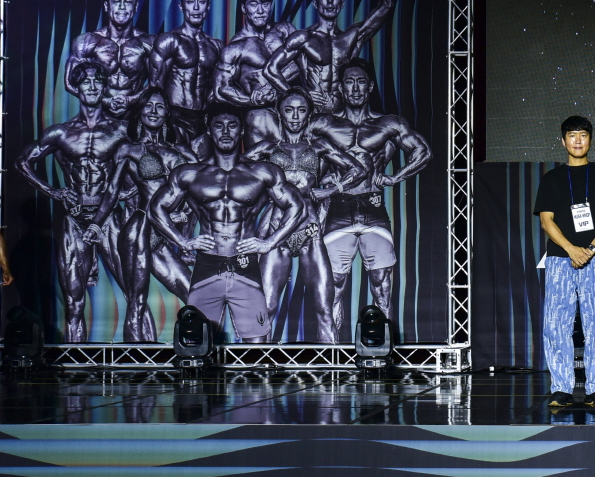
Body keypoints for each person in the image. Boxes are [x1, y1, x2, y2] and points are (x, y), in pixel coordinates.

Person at [147, 103, 304, 344]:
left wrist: (269, 243)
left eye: (232, 125)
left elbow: (297, 206)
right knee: (196, 343)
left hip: (245, 265)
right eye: (219, 126)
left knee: (257, 346)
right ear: (209, 130)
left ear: (242, 130)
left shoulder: (262, 172)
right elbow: (155, 208)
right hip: (207, 265)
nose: (226, 131)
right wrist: (182, 242)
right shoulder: (190, 174)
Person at [307, 59, 431, 338]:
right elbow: (297, 156)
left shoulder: (388, 124)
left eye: (361, 82)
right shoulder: (323, 124)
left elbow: (423, 152)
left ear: (370, 86)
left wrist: (395, 177)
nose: (355, 88)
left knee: (381, 282)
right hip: (338, 209)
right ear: (340, 88)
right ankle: (333, 354)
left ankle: (383, 349)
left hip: (373, 207)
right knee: (333, 285)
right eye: (349, 82)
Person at [15, 63, 128, 342]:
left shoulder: (121, 130)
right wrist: (53, 191)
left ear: (105, 87)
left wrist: (125, 193)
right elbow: (22, 162)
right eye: (86, 82)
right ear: (76, 89)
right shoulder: (61, 133)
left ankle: (146, 356)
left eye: (97, 81)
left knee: (134, 293)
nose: (92, 86)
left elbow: (149, 167)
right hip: (75, 220)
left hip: (109, 216)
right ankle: (75, 361)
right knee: (74, 302)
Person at [249, 87, 360, 342]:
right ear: (280, 114)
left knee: (324, 311)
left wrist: (331, 189)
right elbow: (233, 172)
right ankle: (255, 364)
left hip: (309, 231)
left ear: (309, 114)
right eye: (289, 110)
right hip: (277, 231)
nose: (295, 116)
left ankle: (332, 366)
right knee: (266, 309)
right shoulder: (266, 149)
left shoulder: (319, 147)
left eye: (301, 110)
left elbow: (358, 169)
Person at [533, 115, 595, 408]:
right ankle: (561, 387)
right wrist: (572, 249)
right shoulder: (551, 178)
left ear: (590, 140)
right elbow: (546, 221)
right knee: (556, 324)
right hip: (560, 259)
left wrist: (590, 249)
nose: (578, 141)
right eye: (572, 136)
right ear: (563, 141)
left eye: (583, 135)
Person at [104, 88, 197, 341]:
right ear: (140, 112)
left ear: (167, 113)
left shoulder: (181, 151)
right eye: (149, 106)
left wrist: (185, 224)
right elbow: (112, 191)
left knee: (194, 295)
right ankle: (134, 360)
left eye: (160, 106)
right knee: (137, 302)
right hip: (141, 229)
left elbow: (198, 192)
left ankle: (192, 352)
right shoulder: (128, 149)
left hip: (166, 233)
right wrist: (95, 224)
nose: (154, 111)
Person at [265, 0, 396, 117]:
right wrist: (298, 96)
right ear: (315, 3)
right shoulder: (303, 38)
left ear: (341, 4)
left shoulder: (352, 37)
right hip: (313, 117)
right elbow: (270, 69)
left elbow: (386, 5)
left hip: (344, 118)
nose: (329, 1)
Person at [214, 0, 295, 152]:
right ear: (244, 8)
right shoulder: (235, 48)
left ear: (271, 5)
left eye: (265, 4)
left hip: (293, 114)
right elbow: (220, 90)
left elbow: (303, 63)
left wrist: (270, 86)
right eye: (253, 4)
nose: (260, 10)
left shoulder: (285, 30)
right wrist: (251, 100)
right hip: (260, 116)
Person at [149, 0, 223, 151]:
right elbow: (155, 86)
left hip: (203, 119)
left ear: (208, 6)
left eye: (201, 1)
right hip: (175, 116)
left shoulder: (216, 46)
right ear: (181, 6)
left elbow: (218, 88)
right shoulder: (170, 40)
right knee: (177, 164)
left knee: (202, 166)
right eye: (190, 1)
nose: (196, 7)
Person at [64, 0, 153, 124]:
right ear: (106, 6)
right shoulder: (87, 42)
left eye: (128, 1)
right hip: (98, 116)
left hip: (135, 115)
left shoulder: (148, 43)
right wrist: (105, 101)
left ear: (135, 7)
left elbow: (158, 81)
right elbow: (70, 82)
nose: (122, 7)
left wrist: (131, 100)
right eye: (116, 1)